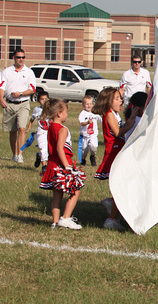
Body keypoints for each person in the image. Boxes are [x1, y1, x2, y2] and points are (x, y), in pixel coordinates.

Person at [92, 88, 139, 230]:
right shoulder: (109, 115)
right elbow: (118, 132)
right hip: (114, 152)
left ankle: (111, 205)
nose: (120, 101)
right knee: (121, 186)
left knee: (123, 185)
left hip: (118, 150)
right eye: (117, 98)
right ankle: (112, 217)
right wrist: (130, 124)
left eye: (120, 98)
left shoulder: (115, 114)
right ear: (108, 101)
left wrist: (130, 119)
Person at [39, 99, 83, 230]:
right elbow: (59, 148)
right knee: (75, 191)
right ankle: (66, 218)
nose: (67, 115)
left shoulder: (51, 127)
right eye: (66, 112)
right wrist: (67, 167)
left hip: (52, 165)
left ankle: (55, 222)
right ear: (59, 113)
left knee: (57, 196)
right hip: (62, 165)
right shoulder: (62, 129)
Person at [0, 48, 37, 163]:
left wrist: (20, 93)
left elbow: (32, 89)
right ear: (13, 58)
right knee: (12, 130)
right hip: (9, 104)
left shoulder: (29, 72)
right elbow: (1, 86)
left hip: (23, 103)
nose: (21, 59)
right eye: (18, 57)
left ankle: (20, 154)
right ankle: (14, 154)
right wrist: (1, 99)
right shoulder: (7, 71)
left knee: (21, 128)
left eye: (23, 57)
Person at [27, 91, 49, 170]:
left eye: (45, 99)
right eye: (42, 99)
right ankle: (44, 166)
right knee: (43, 148)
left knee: (49, 150)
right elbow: (32, 118)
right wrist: (29, 126)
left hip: (50, 132)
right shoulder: (37, 109)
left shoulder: (51, 109)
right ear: (38, 100)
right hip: (41, 132)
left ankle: (39, 156)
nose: (44, 101)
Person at [78, 95, 101, 166]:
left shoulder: (95, 113)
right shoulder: (82, 113)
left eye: (90, 104)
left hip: (93, 134)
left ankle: (93, 157)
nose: (89, 105)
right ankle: (83, 159)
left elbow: (102, 120)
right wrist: (87, 122)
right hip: (85, 135)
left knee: (93, 146)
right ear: (83, 105)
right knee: (84, 150)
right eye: (87, 104)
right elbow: (82, 123)